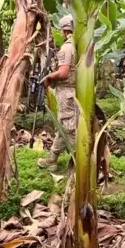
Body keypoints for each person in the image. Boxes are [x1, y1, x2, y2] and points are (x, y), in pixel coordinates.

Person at [37, 15, 76, 172]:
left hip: (67, 91)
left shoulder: (68, 47)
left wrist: (48, 77)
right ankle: (52, 158)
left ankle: (80, 160)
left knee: (68, 127)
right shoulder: (82, 45)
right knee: (66, 126)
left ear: (65, 30)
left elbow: (63, 72)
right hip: (77, 91)